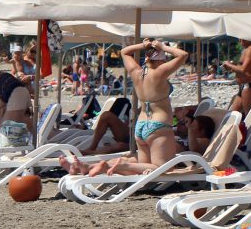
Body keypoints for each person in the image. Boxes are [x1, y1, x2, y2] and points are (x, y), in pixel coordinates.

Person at [63, 39, 189, 176]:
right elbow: (183, 55)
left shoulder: (136, 72)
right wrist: (163, 46)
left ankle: (88, 166)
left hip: (141, 126)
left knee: (143, 167)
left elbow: (124, 52)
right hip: (158, 125)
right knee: (163, 168)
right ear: (160, 60)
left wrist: (143, 45)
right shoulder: (160, 72)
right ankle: (123, 164)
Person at [223, 39, 251, 118]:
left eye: (242, 37)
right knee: (232, 116)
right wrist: (231, 67)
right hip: (243, 86)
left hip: (249, 86)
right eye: (239, 37)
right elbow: (241, 68)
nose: (240, 39)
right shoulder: (245, 49)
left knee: (249, 117)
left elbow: (243, 69)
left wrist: (229, 65)